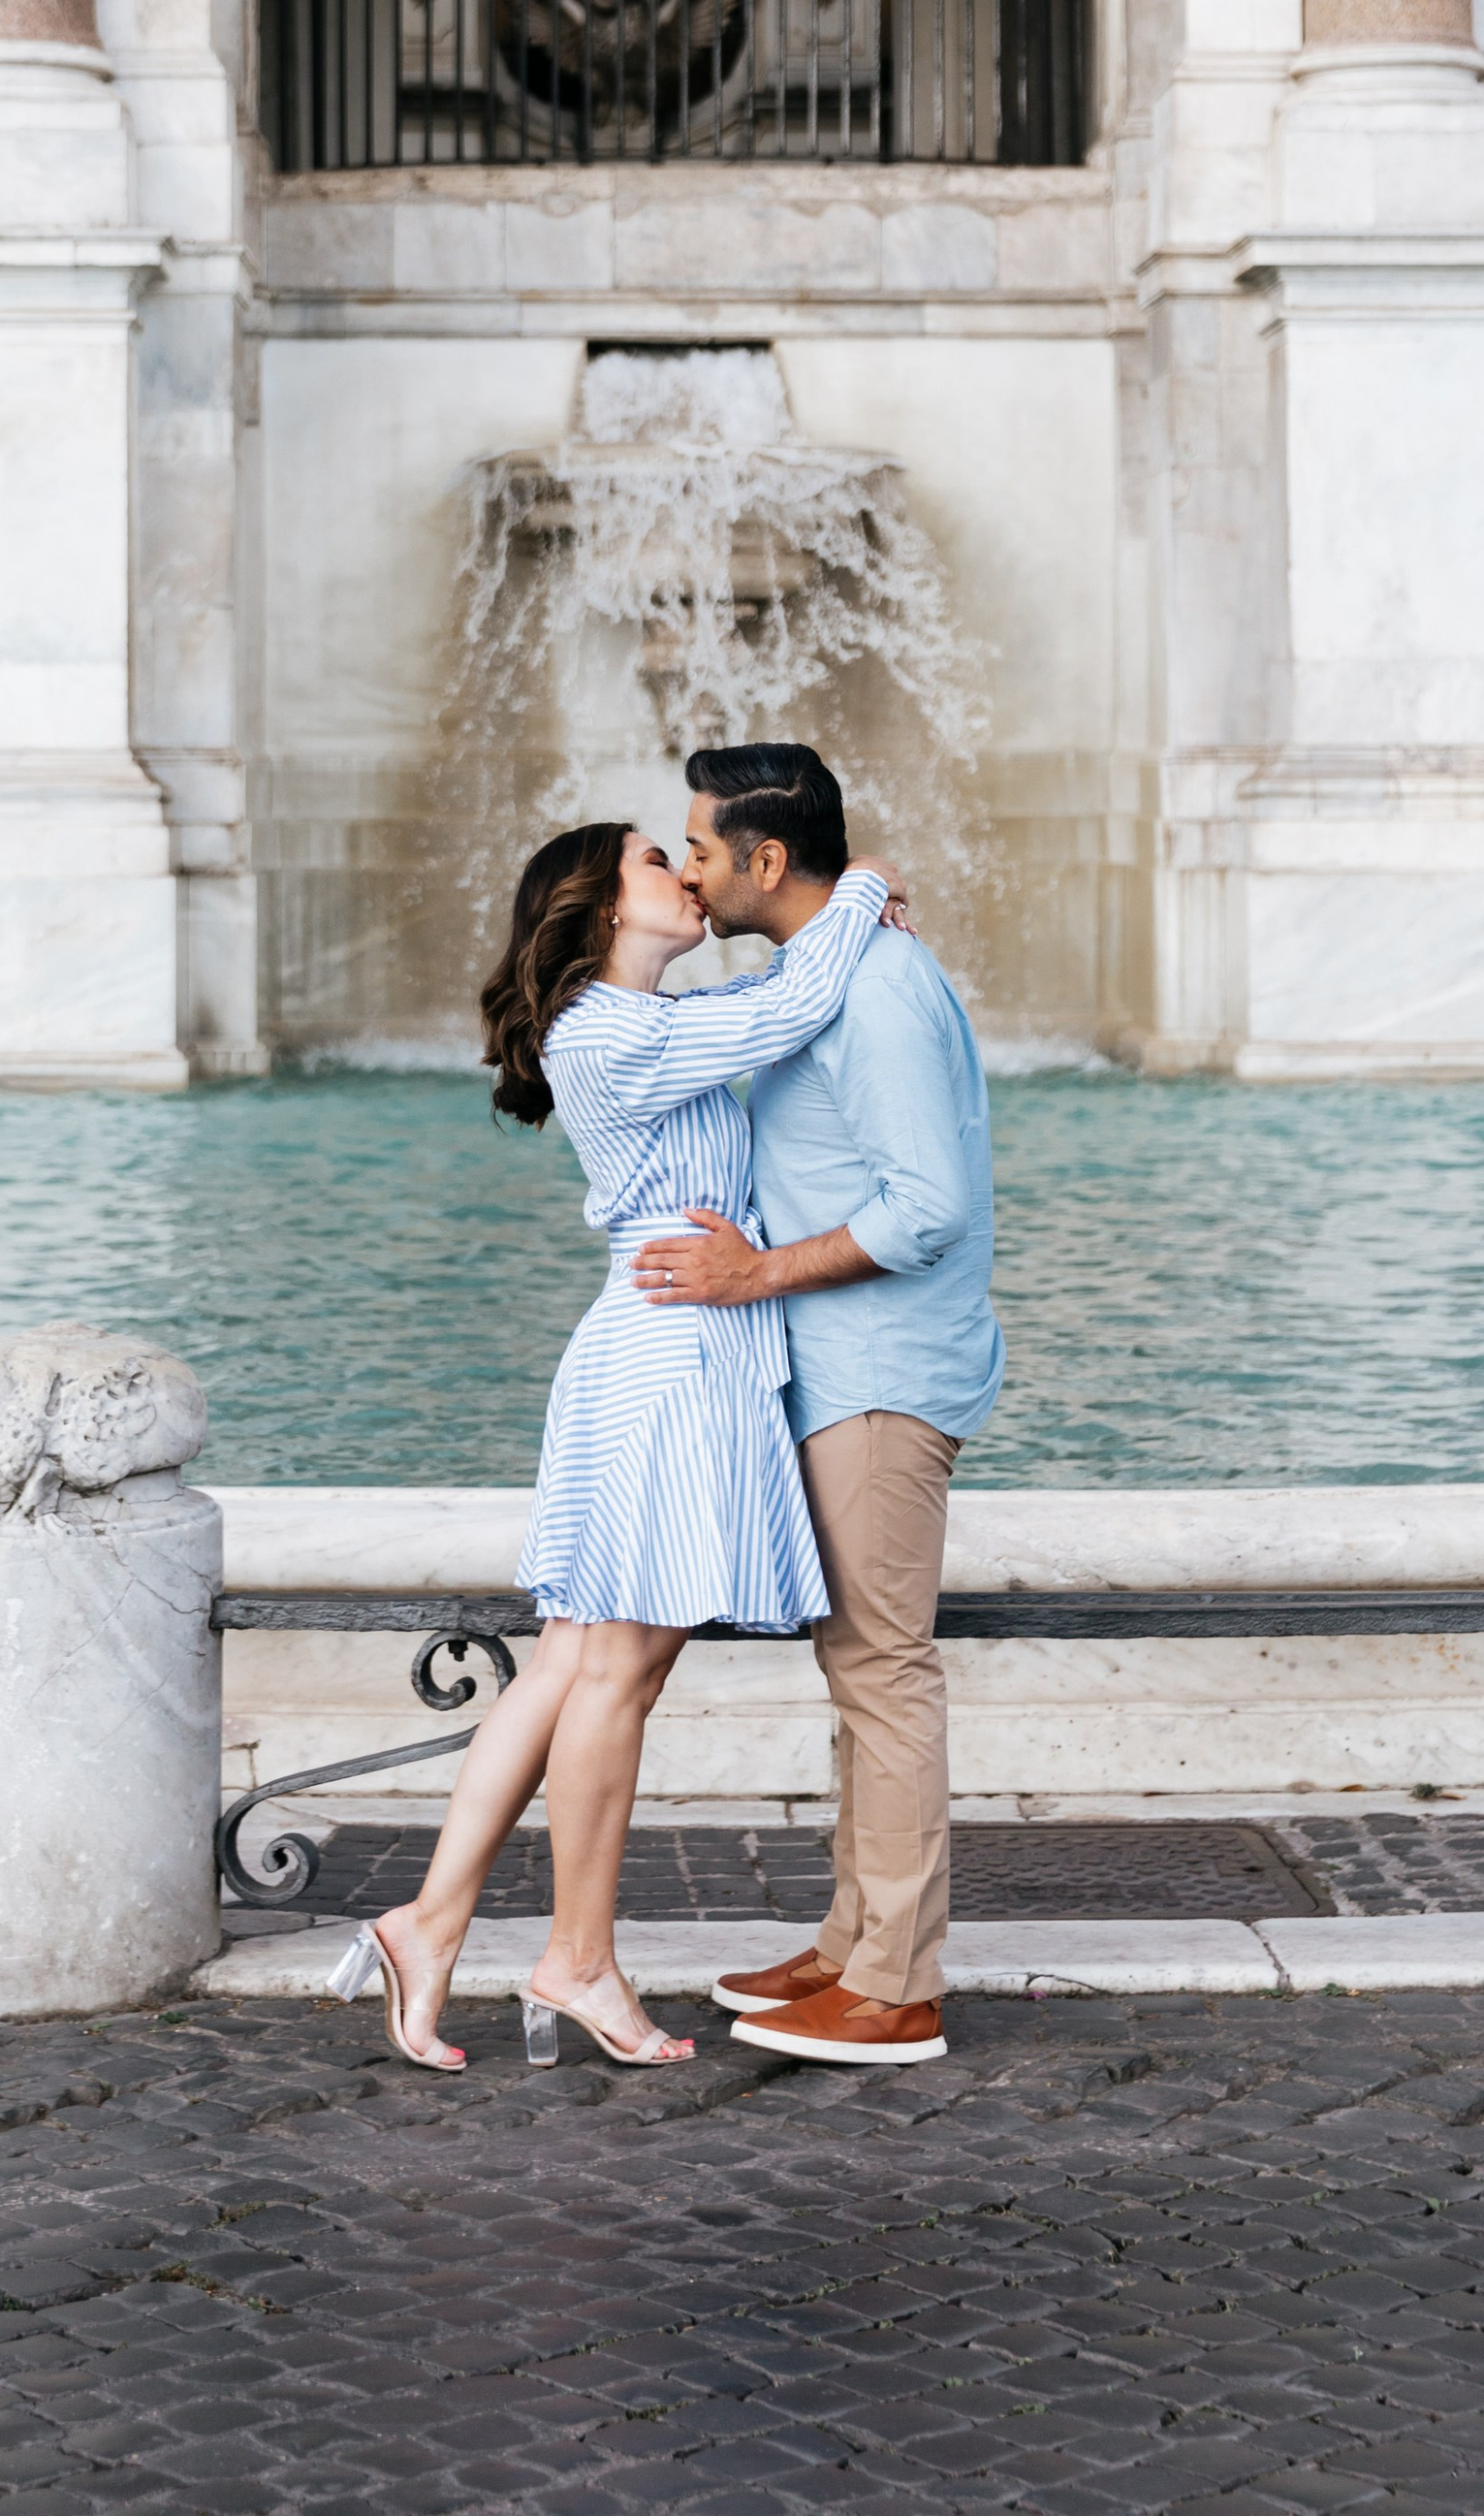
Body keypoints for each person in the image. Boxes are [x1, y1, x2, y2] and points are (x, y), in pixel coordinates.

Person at [330, 814, 900, 2073]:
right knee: (616, 1678)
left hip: (658, 1346)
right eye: (659, 858)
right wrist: (855, 894)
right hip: (668, 1360)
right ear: (598, 906)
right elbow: (785, 1009)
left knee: (567, 1668)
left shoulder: (632, 1027)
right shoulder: (606, 1027)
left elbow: (759, 1009)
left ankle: (426, 1923)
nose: (686, 873)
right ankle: (576, 1958)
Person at [632, 742, 1001, 2068]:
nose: (688, 867)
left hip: (884, 1374)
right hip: (841, 1368)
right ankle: (854, 1942)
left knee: (885, 1670)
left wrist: (753, 1273)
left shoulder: (881, 990)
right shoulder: (827, 971)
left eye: (704, 848)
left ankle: (897, 1982)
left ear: (767, 861)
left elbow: (927, 1207)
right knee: (857, 1667)